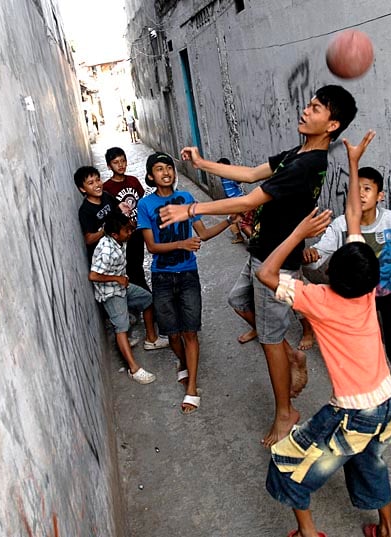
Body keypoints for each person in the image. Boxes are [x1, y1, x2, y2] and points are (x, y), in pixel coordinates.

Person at [159, 85, 358, 446]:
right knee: (239, 302)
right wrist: (203, 164)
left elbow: (248, 200)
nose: (306, 110)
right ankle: (292, 354)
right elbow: (251, 174)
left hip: (276, 264)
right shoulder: (298, 153)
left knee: (268, 340)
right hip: (261, 251)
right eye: (309, 104)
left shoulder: (309, 164)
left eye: (316, 108)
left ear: (332, 125)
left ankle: (286, 413)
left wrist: (189, 209)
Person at [257, 131, 391, 537]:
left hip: (353, 412)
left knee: (287, 466)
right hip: (387, 401)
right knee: (372, 464)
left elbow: (265, 273)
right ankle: (386, 529)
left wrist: (298, 233)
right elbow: (354, 215)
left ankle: (307, 534)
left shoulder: (317, 297)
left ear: (331, 274)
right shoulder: (367, 288)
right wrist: (353, 163)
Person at [301, 166, 391, 419]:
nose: (361, 194)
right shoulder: (341, 225)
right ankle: (369, 395)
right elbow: (320, 253)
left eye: (367, 189)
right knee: (362, 347)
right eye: (356, 189)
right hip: (356, 299)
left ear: (380, 195)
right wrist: (311, 254)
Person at [137, 152, 236, 413]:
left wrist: (229, 221)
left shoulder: (186, 199)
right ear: (150, 176)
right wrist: (181, 243)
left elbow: (203, 234)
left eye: (168, 167)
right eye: (159, 169)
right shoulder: (146, 206)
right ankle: (183, 364)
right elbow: (152, 247)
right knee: (172, 333)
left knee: (190, 331)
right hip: (161, 276)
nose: (166, 172)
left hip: (188, 274)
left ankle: (191, 387)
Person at [89, 213, 169, 384]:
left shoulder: (119, 241)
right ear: (114, 235)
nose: (130, 232)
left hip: (122, 285)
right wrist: (117, 279)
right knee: (122, 328)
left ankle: (152, 339)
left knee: (147, 299)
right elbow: (93, 275)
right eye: (126, 231)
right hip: (112, 292)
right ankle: (134, 369)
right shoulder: (106, 250)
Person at [103, 147, 150, 291]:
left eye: (123, 160)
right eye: (116, 162)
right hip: (122, 235)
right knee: (129, 265)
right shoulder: (107, 188)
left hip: (137, 231)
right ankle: (143, 293)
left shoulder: (133, 181)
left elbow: (142, 202)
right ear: (109, 166)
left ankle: (141, 292)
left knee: (137, 263)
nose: (121, 165)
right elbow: (109, 215)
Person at [75, 166, 130, 265]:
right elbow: (89, 239)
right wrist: (105, 230)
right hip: (102, 259)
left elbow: (117, 205)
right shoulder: (85, 211)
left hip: (116, 251)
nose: (97, 185)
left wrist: (121, 206)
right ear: (82, 189)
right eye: (91, 183)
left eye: (98, 180)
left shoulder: (105, 195)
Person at [216, 157, 247, 245]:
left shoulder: (229, 176)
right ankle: (240, 237)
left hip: (238, 200)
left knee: (238, 220)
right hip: (233, 202)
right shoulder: (223, 177)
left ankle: (250, 237)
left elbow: (238, 181)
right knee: (233, 221)